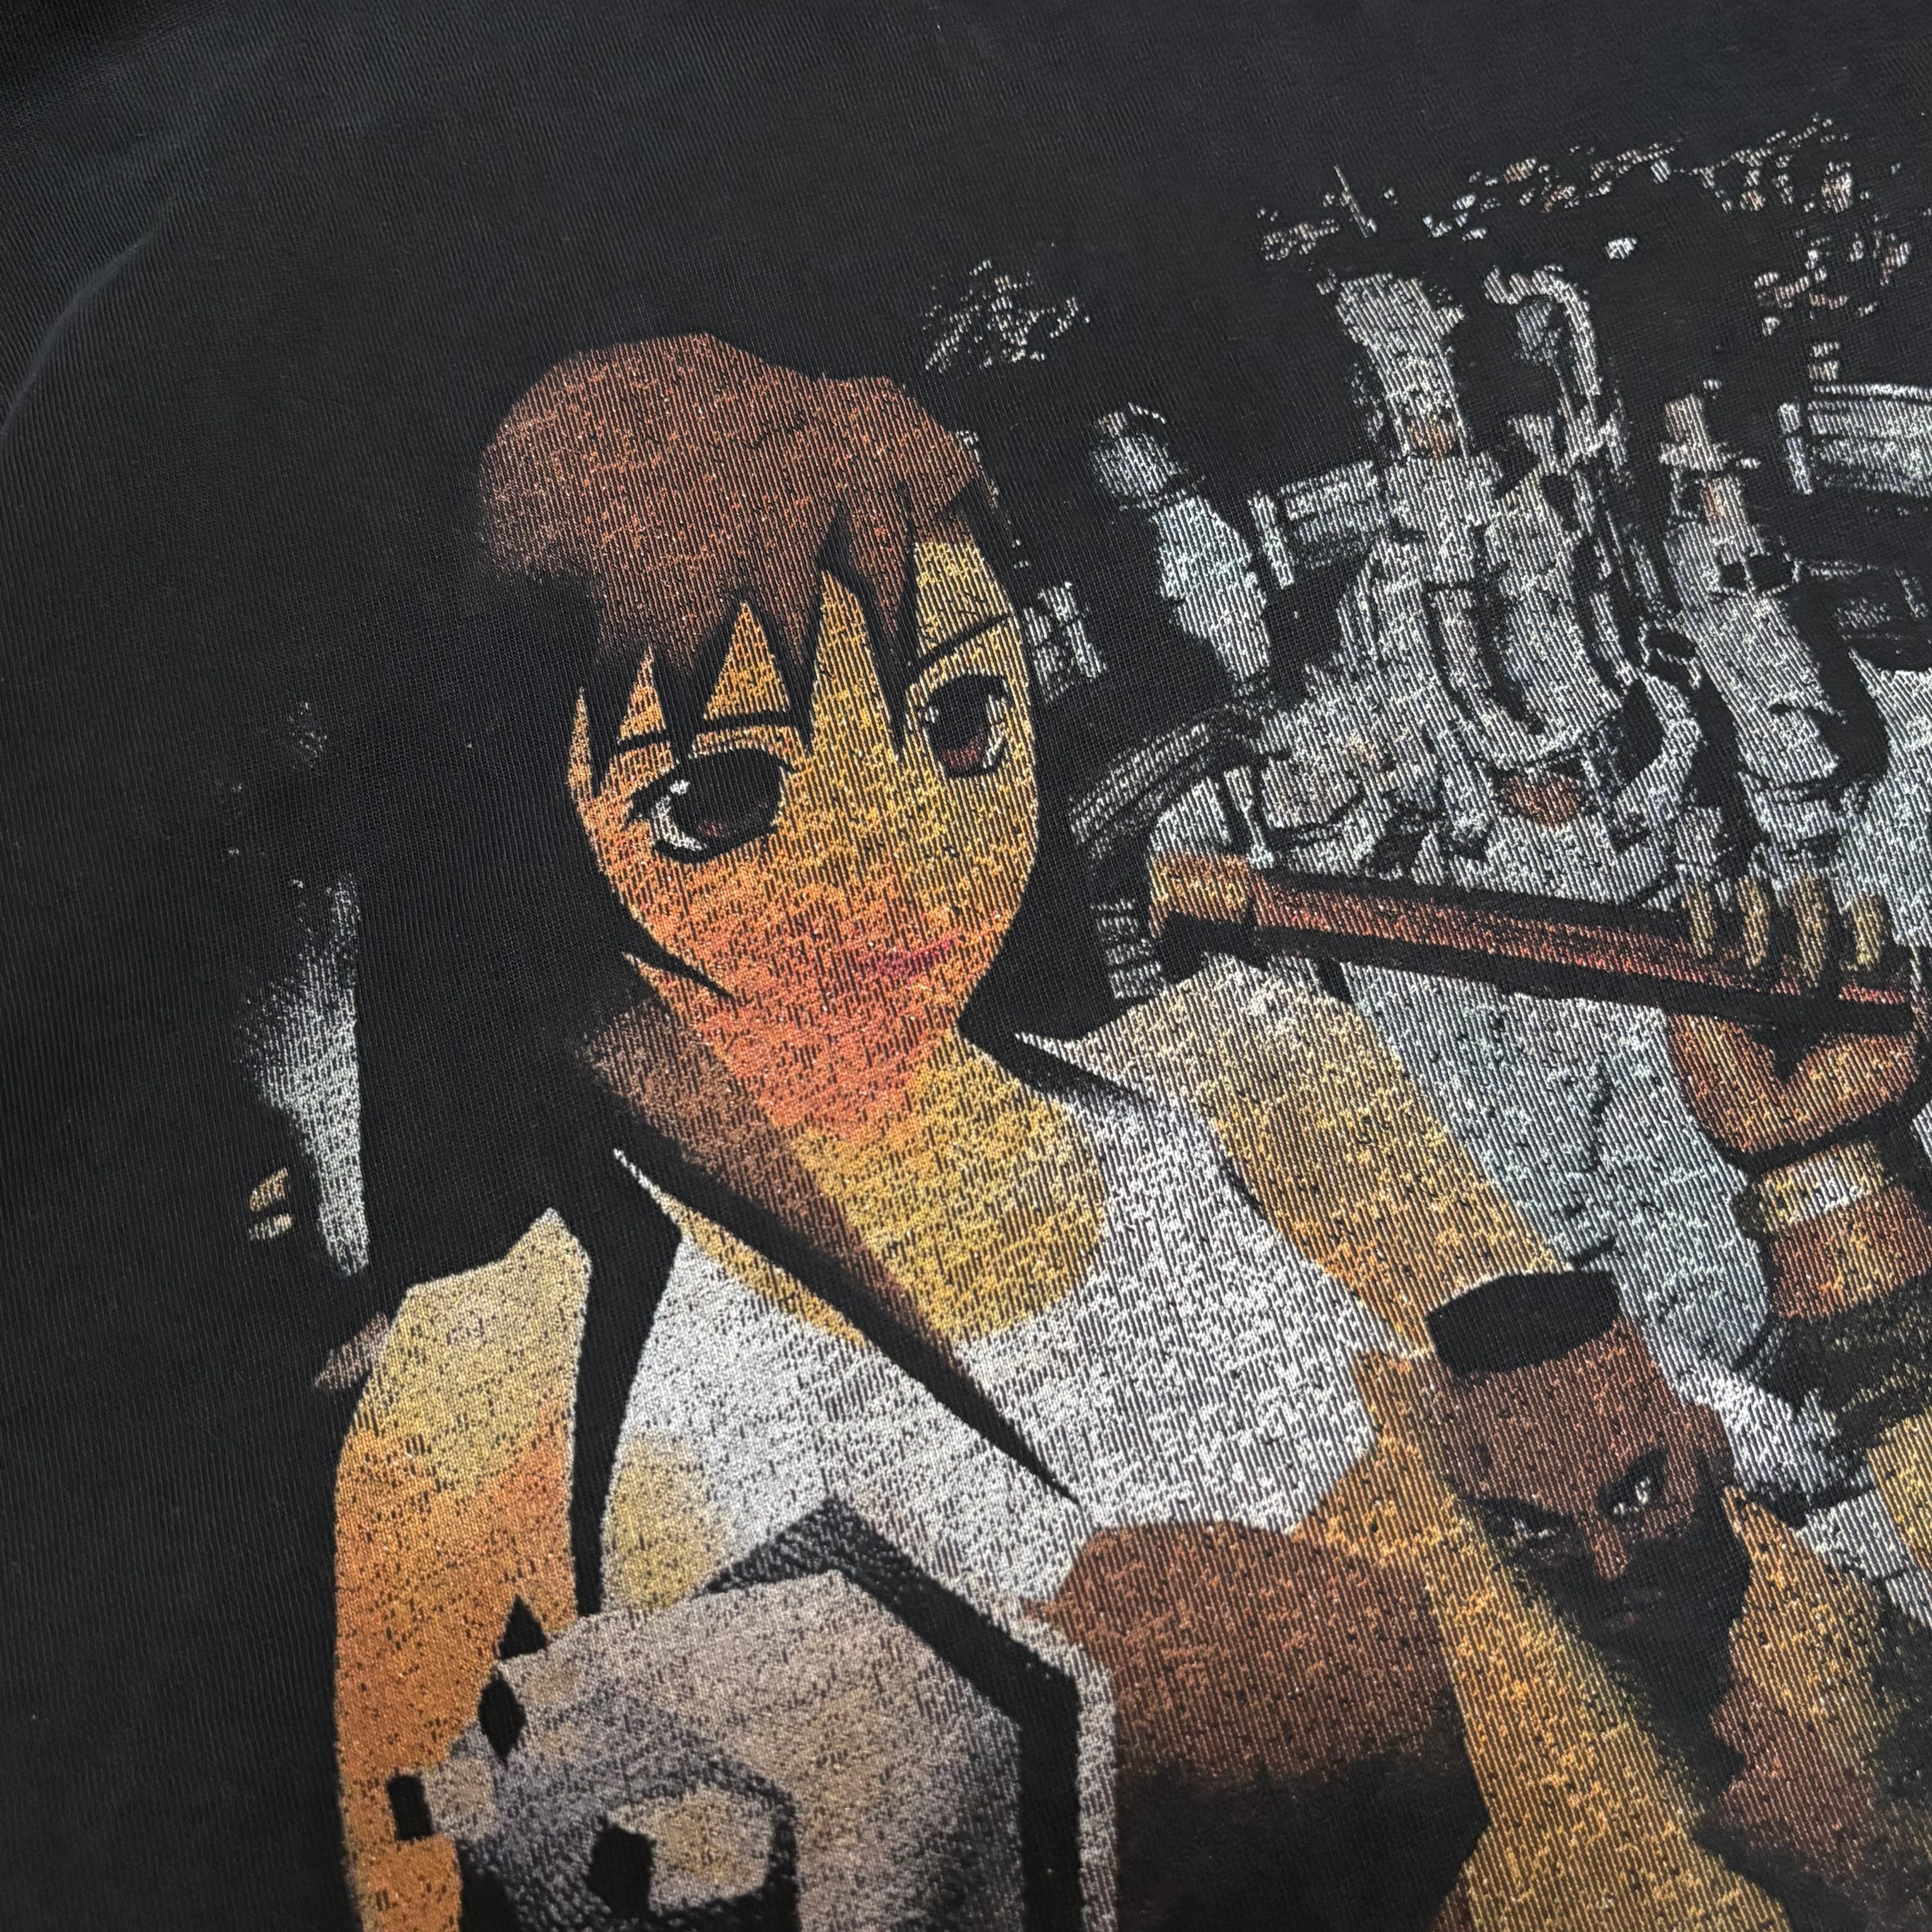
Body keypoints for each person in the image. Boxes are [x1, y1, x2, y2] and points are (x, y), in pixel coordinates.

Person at [335, 332, 1932, 1931]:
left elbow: (1754, 1629)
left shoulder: (1259, 1076)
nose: (892, 854)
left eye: (960, 720)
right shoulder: (494, 1399)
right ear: (540, 825)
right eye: (721, 800)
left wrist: (1819, 1174)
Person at [1414, 1265, 1932, 1930]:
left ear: (1706, 1444)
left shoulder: (1871, 1631)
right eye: (1536, 1530)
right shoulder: (1534, 1848)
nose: (1609, 1566)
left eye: (1637, 1495)